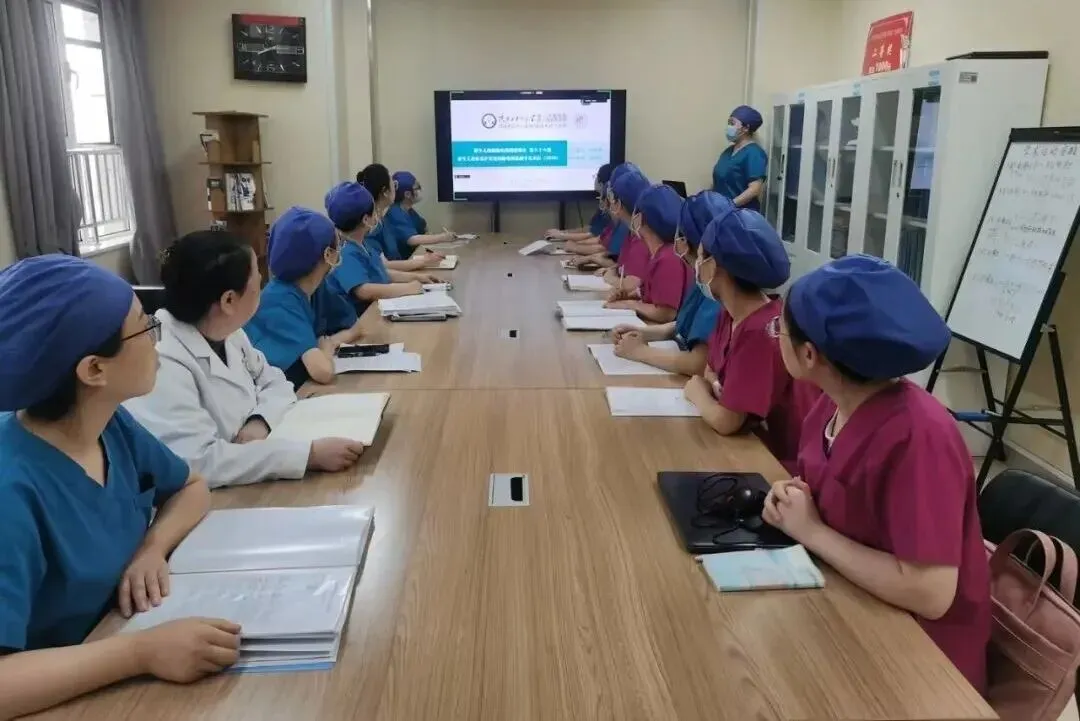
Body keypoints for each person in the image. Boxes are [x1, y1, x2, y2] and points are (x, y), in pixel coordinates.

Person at [0, 255, 242, 718]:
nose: (157, 337)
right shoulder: (11, 491)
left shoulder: (110, 425)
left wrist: (151, 548)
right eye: (143, 327)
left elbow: (191, 486)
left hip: (119, 651)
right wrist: (140, 653)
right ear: (94, 370)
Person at [765, 254, 990, 694]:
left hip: (920, 662)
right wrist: (794, 500)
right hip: (846, 602)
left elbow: (930, 593)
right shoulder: (831, 406)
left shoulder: (920, 436)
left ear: (809, 355)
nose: (776, 336)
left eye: (780, 330)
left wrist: (811, 531)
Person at [124, 232, 366, 489]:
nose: (262, 283)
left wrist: (260, 421)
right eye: (257, 280)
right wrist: (308, 456)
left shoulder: (228, 331)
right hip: (209, 498)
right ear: (229, 300)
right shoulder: (162, 359)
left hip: (249, 476)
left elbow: (276, 382)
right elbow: (199, 461)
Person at [683, 205, 818, 471]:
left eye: (700, 257)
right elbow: (710, 368)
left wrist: (698, 392)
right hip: (746, 444)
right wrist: (714, 383)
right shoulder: (730, 314)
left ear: (712, 266)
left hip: (778, 464)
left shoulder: (762, 331)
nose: (696, 266)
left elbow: (726, 421)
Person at [610, 191, 727, 375]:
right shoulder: (703, 281)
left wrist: (641, 352)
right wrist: (643, 333)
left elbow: (698, 363)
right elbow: (683, 326)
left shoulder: (717, 289)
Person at [245, 207, 363, 388]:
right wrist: (325, 348)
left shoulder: (317, 288)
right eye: (337, 244)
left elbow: (355, 327)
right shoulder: (278, 300)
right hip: (273, 393)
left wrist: (330, 342)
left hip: (302, 385)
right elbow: (323, 372)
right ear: (327, 255)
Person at [325, 181, 439, 316]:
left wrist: (417, 277)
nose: (377, 214)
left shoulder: (363, 245)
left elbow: (381, 272)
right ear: (366, 219)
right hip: (360, 319)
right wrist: (407, 288)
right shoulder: (345, 252)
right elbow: (364, 291)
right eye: (374, 211)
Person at [604, 183, 692, 323]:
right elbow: (649, 293)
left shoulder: (669, 258)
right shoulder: (658, 253)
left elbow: (665, 313)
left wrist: (630, 304)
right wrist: (630, 295)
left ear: (639, 219)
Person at [358, 164, 443, 271]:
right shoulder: (371, 226)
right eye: (393, 185)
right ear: (385, 192)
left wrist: (423, 260)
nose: (396, 189)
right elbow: (383, 266)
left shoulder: (380, 220)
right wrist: (423, 261)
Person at [380, 171, 455, 261]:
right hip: (404, 261)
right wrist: (442, 237)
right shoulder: (395, 212)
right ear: (407, 194)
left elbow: (423, 229)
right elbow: (412, 240)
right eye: (417, 187)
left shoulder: (409, 210)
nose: (420, 190)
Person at [600, 165, 653, 293]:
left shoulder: (642, 237)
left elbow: (632, 284)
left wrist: (609, 278)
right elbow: (622, 267)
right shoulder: (632, 232)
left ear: (618, 203)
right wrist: (613, 270)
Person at [547, 163, 613, 255]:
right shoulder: (603, 204)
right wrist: (563, 233)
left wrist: (570, 242)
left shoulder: (617, 218)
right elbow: (592, 230)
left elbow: (596, 239)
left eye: (596, 176)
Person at [711, 105, 768, 212]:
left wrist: (730, 205)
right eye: (728, 123)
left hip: (741, 214)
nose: (728, 127)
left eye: (732, 123)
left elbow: (754, 189)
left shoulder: (755, 153)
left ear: (746, 128)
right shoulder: (727, 152)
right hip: (721, 211)